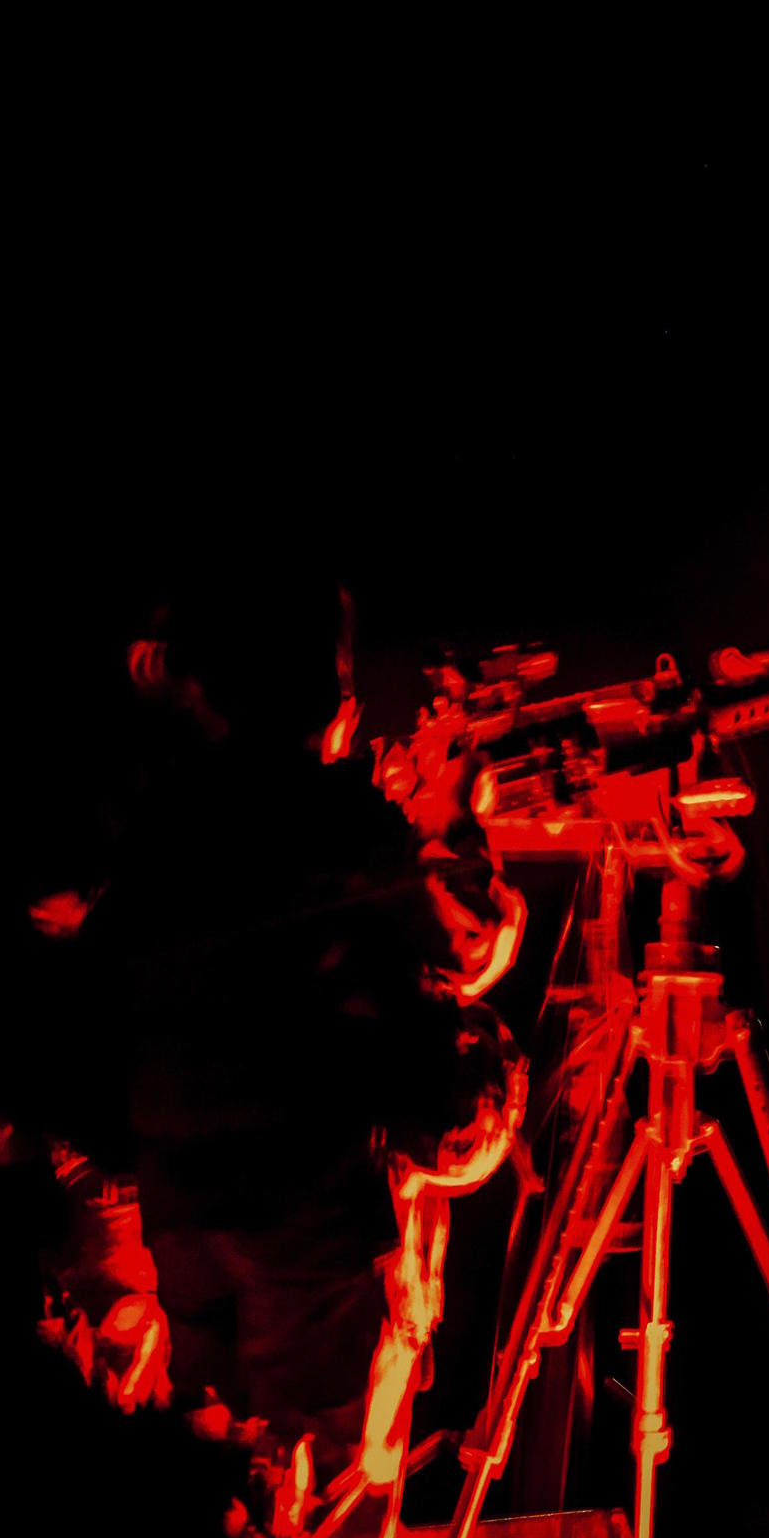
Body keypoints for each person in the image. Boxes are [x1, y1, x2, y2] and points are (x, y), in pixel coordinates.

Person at [70, 570, 519, 1486]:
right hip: (302, 1205)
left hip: (184, 1197)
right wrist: (457, 814)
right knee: (326, 1466)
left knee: (210, 1450)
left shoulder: (169, 809)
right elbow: (467, 942)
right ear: (325, 692)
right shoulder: (338, 815)